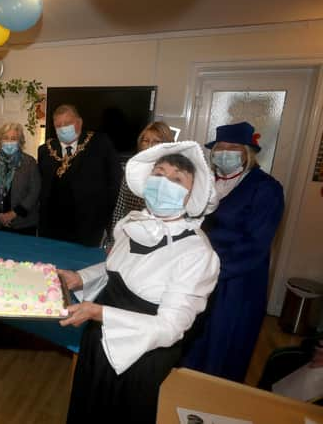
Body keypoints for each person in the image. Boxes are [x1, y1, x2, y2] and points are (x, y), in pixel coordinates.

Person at [58, 141, 220, 423]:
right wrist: (80, 278)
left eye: (177, 179)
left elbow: (170, 327)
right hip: (99, 340)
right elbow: (118, 269)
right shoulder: (133, 223)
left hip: (139, 358)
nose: (164, 183)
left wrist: (99, 312)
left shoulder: (197, 254)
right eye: (159, 173)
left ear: (191, 195)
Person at [182, 121, 285, 382]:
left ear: (247, 153)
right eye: (220, 147)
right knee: (192, 339)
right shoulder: (206, 184)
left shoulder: (266, 188)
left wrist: (211, 269)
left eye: (233, 147)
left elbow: (254, 246)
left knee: (222, 347)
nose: (224, 152)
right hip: (199, 275)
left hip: (236, 283)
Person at [38, 104, 122, 247]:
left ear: (79, 122)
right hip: (53, 226)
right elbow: (42, 187)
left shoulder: (99, 143)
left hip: (89, 224)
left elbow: (115, 180)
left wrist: (105, 216)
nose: (63, 128)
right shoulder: (45, 150)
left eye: (68, 123)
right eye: (58, 125)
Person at [104, 121, 175, 250]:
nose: (149, 145)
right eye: (145, 141)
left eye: (156, 141)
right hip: (127, 236)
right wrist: (113, 241)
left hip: (157, 241)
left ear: (167, 144)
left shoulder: (172, 178)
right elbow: (120, 210)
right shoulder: (131, 171)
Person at [0, 122, 40, 235]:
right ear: (0, 141)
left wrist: (13, 214)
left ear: (20, 142)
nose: (9, 142)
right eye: (6, 138)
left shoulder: (29, 163)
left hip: (24, 224)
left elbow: (34, 191)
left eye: (13, 138)